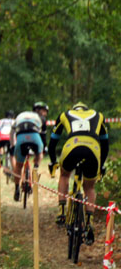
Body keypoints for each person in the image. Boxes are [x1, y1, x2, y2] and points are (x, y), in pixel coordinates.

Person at [48, 102, 109, 244]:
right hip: (93, 150)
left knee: (64, 174)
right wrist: (102, 165)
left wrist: (52, 162)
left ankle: (62, 211)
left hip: (72, 147)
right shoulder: (98, 115)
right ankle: (89, 221)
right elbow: (105, 144)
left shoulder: (65, 114)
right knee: (89, 187)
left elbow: (52, 143)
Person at [10, 108, 44, 201]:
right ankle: (35, 168)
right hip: (34, 137)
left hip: (21, 138)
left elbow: (12, 132)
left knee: (18, 165)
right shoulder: (37, 117)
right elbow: (42, 133)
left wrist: (12, 146)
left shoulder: (18, 117)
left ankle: (17, 189)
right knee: (40, 154)